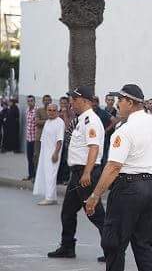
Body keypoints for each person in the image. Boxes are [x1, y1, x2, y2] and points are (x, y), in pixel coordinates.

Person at [85, 84, 152, 271]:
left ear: (130, 102)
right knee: (144, 244)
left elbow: (113, 166)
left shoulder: (125, 129)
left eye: (120, 100)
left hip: (129, 189)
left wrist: (95, 196)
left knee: (113, 244)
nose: (117, 105)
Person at [48, 87, 105, 261]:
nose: (72, 102)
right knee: (67, 212)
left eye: (75, 99)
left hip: (85, 172)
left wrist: (87, 173)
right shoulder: (82, 120)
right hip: (77, 173)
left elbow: (94, 148)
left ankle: (113, 248)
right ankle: (67, 247)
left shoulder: (91, 121)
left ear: (86, 101)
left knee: (95, 214)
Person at [33, 104, 65, 205]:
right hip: (44, 153)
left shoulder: (60, 122)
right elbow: (43, 138)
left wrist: (56, 153)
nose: (51, 112)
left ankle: (49, 198)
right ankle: (53, 197)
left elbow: (60, 140)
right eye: (49, 110)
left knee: (51, 175)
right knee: (46, 174)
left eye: (53, 110)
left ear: (57, 111)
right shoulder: (47, 122)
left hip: (53, 153)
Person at [57, 96, 75, 184]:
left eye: (65, 103)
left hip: (67, 139)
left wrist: (64, 114)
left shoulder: (71, 113)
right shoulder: (57, 113)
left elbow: (68, 126)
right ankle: (58, 178)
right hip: (59, 139)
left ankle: (65, 178)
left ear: (68, 104)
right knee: (59, 159)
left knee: (65, 159)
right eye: (62, 103)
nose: (63, 105)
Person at [34, 95, 52, 165]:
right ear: (43, 101)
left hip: (50, 139)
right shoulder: (39, 110)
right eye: (45, 100)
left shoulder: (53, 111)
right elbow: (37, 122)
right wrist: (49, 121)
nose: (47, 102)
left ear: (51, 101)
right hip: (39, 137)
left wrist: (44, 121)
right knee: (37, 157)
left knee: (47, 158)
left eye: (48, 100)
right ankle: (36, 174)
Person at [24, 95, 37, 181]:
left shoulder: (37, 111)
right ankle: (30, 174)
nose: (30, 102)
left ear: (34, 101)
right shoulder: (27, 111)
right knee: (29, 157)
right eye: (28, 101)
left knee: (34, 158)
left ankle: (35, 175)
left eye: (31, 101)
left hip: (35, 139)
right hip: (28, 138)